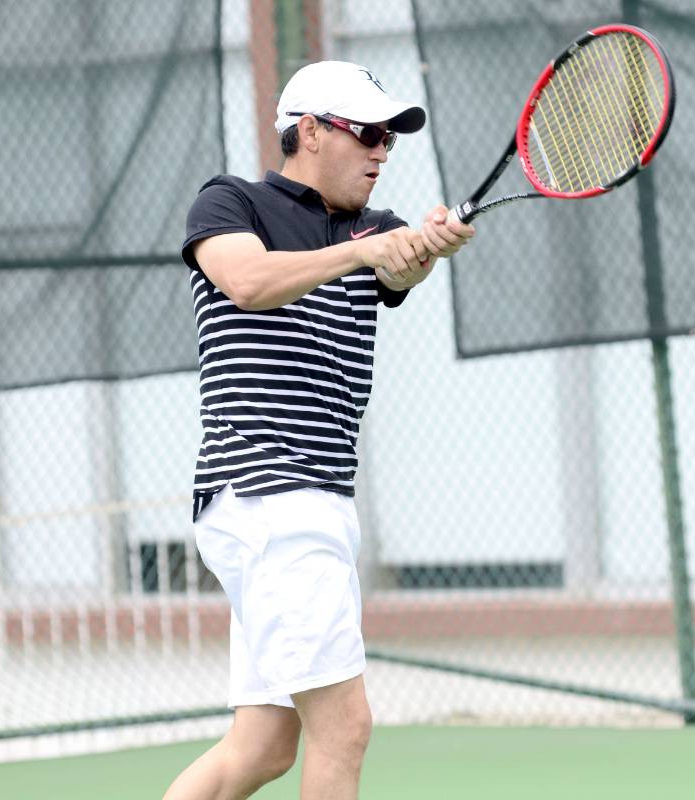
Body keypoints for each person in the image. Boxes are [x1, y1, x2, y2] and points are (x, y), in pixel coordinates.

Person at [163, 61, 474, 800]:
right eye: (367, 132)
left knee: (262, 747)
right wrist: (361, 253)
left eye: (390, 139)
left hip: (315, 507)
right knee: (345, 729)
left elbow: (400, 270)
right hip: (270, 499)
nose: (381, 151)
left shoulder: (379, 229)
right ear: (308, 131)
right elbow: (248, 282)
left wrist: (427, 245)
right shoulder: (229, 201)